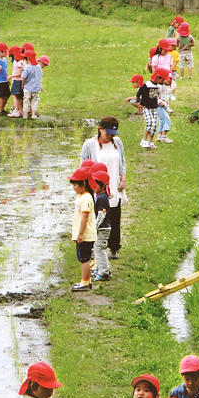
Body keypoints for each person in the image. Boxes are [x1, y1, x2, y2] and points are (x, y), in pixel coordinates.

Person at [80, 117, 127, 259]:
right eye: (108, 132)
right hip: (97, 188)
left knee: (114, 216)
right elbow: (83, 165)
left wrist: (123, 177)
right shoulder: (89, 145)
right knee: (98, 218)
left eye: (113, 133)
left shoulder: (117, 143)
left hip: (113, 184)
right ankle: (95, 248)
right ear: (100, 129)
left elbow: (122, 161)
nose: (111, 136)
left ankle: (114, 247)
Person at [68, 167, 96, 292]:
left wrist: (80, 234)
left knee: (84, 259)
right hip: (82, 234)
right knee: (83, 257)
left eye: (75, 185)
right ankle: (87, 280)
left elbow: (84, 217)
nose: (74, 188)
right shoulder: (81, 197)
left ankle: (85, 282)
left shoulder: (85, 198)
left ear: (83, 184)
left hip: (85, 235)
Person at [136, 68, 168, 150]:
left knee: (154, 124)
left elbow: (158, 96)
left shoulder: (158, 86)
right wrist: (138, 102)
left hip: (154, 107)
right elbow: (139, 93)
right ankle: (144, 140)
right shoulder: (147, 85)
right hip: (146, 107)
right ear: (158, 78)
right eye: (162, 79)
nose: (163, 81)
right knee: (149, 122)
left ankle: (150, 141)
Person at [91, 170, 111, 281]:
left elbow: (101, 215)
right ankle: (104, 269)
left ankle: (104, 273)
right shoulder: (101, 196)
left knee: (99, 249)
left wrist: (94, 227)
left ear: (103, 185)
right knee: (98, 248)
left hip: (102, 228)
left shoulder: (102, 198)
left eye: (95, 184)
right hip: (102, 227)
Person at [21, 52, 49, 120]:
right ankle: (33, 114)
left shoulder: (27, 67)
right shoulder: (39, 67)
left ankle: (25, 115)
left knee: (26, 100)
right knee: (34, 101)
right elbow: (39, 78)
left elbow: (24, 77)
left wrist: (22, 84)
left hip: (27, 88)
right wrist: (40, 86)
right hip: (36, 88)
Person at [8, 49, 26, 118]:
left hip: (17, 81)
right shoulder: (22, 62)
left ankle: (16, 111)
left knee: (14, 95)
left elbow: (20, 73)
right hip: (20, 81)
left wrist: (11, 76)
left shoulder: (19, 63)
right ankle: (21, 111)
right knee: (20, 96)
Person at [158, 72, 174, 143]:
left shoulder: (165, 87)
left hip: (164, 106)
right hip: (159, 106)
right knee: (167, 119)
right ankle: (164, 136)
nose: (169, 80)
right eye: (167, 79)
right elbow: (155, 95)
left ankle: (160, 135)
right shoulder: (159, 86)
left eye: (170, 79)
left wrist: (167, 107)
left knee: (162, 120)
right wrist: (159, 101)